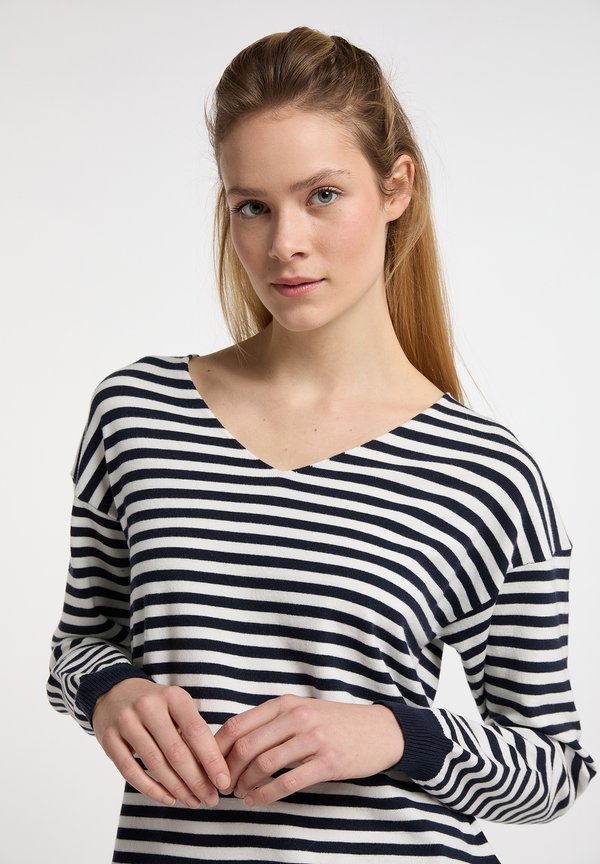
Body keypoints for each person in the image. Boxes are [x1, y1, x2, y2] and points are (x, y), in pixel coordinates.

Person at [47, 25, 597, 864]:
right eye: (252, 206)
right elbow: (77, 647)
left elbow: (553, 771)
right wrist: (109, 691)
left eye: (323, 195)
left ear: (396, 187)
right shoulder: (137, 413)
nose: (284, 244)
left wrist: (394, 733)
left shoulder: (484, 471)